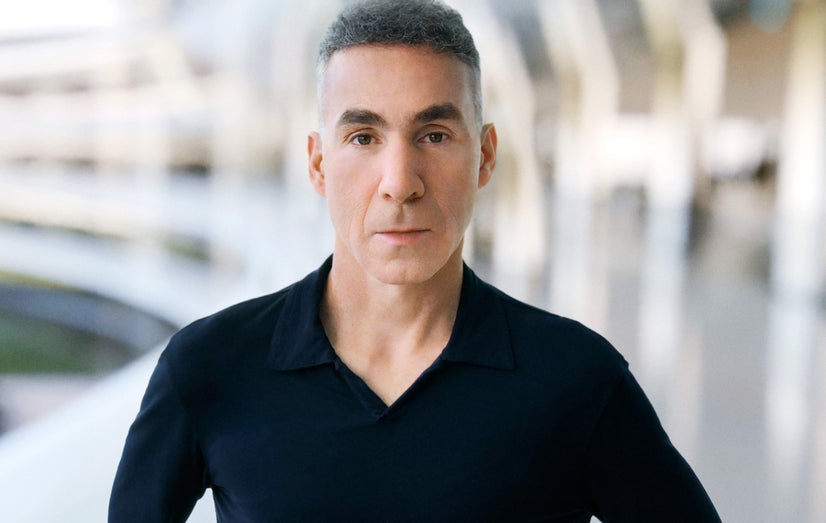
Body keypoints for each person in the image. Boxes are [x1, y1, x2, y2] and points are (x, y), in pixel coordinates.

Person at [109, 1, 721, 521]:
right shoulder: (209, 366)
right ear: (319, 164)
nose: (400, 183)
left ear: (484, 157)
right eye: (363, 138)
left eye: (434, 135)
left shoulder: (575, 379)